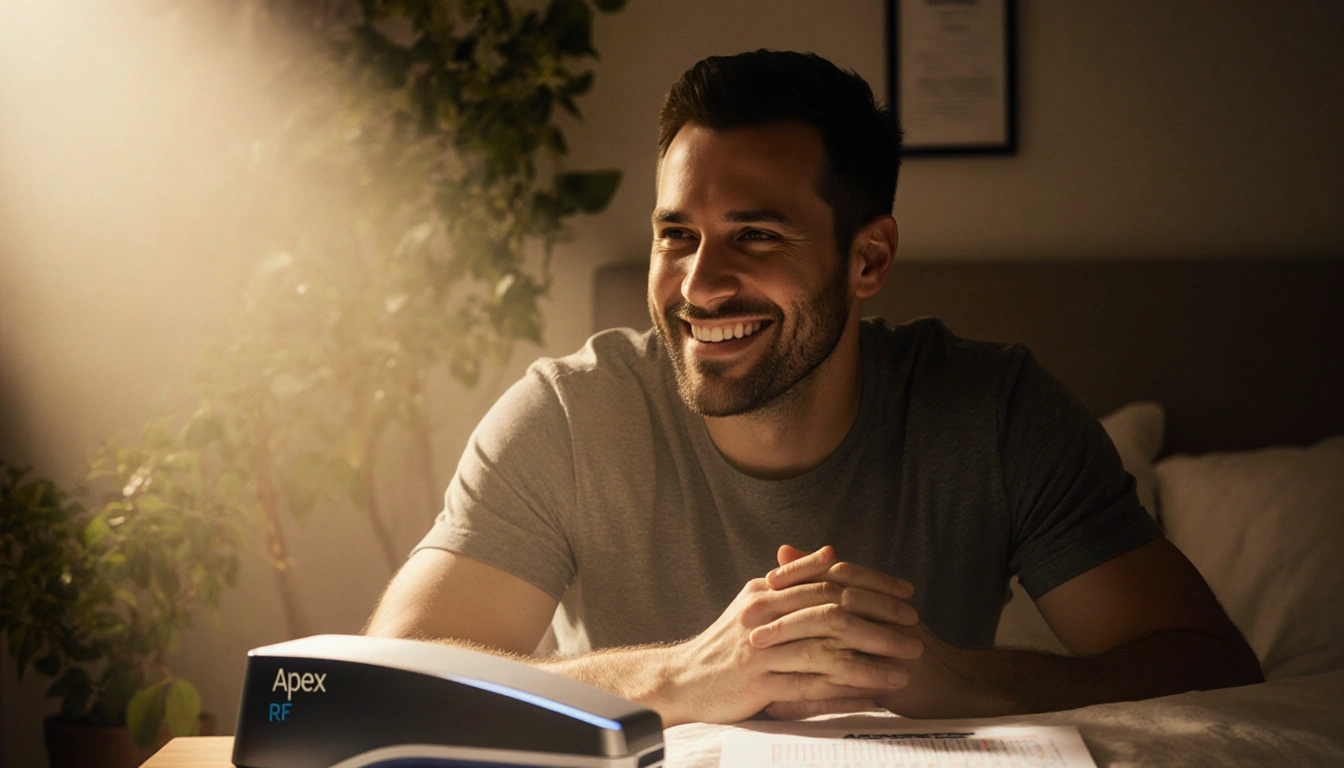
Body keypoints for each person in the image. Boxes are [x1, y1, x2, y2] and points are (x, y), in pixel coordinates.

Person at [365, 50, 1262, 725]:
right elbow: (382, 684)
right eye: (677, 236)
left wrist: (951, 680)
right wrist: (686, 677)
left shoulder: (994, 412)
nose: (700, 284)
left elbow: (1211, 670)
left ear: (868, 258)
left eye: (754, 235)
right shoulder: (568, 415)